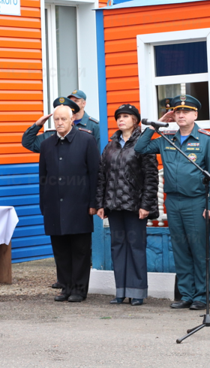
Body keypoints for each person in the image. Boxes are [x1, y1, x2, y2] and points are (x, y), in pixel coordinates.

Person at [135, 95, 210, 311]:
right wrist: (156, 124)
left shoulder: (206, 139)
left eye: (186, 111)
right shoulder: (166, 137)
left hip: (196, 202)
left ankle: (203, 296)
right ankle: (186, 294)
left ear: (195, 114)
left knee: (199, 251)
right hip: (173, 202)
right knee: (180, 249)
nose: (180, 115)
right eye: (176, 111)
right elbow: (140, 148)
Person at [96, 104, 159, 306]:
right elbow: (101, 177)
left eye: (126, 116)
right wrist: (101, 204)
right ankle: (120, 291)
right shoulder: (110, 145)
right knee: (118, 248)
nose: (121, 120)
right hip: (114, 206)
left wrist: (146, 205)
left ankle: (138, 292)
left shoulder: (143, 143)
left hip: (135, 206)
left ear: (135, 120)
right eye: (118, 117)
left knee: (136, 247)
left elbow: (151, 177)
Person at [39, 105, 100, 302]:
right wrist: (44, 205)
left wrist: (94, 202)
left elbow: (95, 174)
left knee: (80, 250)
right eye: (56, 119)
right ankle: (65, 287)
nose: (59, 123)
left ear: (72, 119)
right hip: (54, 206)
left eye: (63, 119)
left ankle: (79, 290)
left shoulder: (86, 140)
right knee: (61, 250)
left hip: (80, 204)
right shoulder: (47, 144)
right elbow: (43, 177)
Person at [22, 90, 100, 153]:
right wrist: (37, 125)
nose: (60, 123)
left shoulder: (94, 126)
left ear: (84, 103)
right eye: (57, 119)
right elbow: (28, 143)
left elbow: (99, 153)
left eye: (76, 101)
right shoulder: (52, 134)